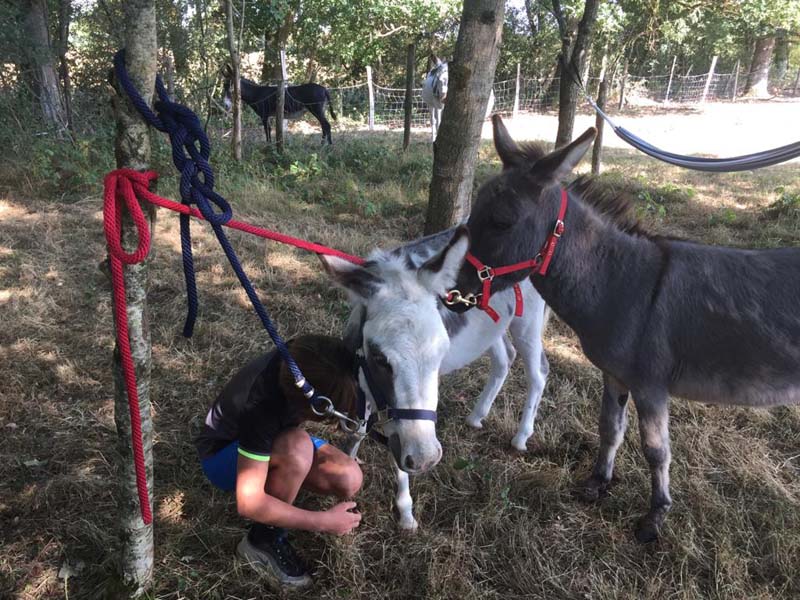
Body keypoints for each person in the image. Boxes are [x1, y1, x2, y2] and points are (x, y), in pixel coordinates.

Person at [195, 334, 363, 588]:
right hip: (222, 454)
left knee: (349, 478)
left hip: (277, 435)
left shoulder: (307, 358)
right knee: (298, 448)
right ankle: (261, 541)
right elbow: (249, 503)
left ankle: (283, 480)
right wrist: (322, 522)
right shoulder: (262, 408)